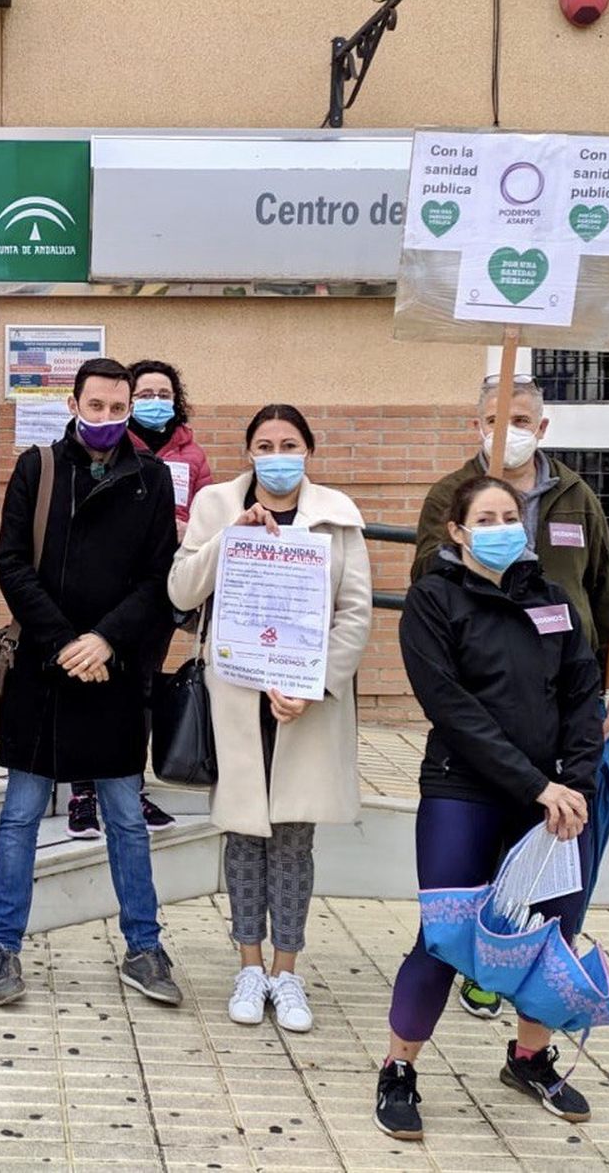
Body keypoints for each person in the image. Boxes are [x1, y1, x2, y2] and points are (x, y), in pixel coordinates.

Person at [376, 475, 604, 1142]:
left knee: (550, 939)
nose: (503, 525)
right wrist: (536, 785)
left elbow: (580, 699)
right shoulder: (433, 600)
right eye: (487, 517)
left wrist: (577, 786)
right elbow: (451, 707)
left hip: (556, 801)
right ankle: (398, 1070)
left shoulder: (553, 601)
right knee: (442, 939)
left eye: (512, 515)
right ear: (457, 531)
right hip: (464, 791)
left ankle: (528, 1060)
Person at [412, 372, 609, 1020]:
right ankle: (482, 959)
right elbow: (427, 577)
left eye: (523, 419)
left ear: (543, 428)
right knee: (488, 838)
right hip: (490, 702)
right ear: (476, 424)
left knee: (573, 836)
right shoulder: (450, 496)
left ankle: (541, 962)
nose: (510, 430)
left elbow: (603, 590)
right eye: (496, 418)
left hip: (572, 699)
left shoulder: (575, 496)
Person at [0, 358, 182, 1010]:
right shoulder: (38, 468)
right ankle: (3, 947)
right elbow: (11, 563)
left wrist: (105, 641)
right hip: (46, 671)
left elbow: (160, 579)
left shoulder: (151, 477)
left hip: (115, 674)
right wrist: (67, 641)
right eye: (94, 406)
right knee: (19, 817)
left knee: (126, 818)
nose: (105, 419)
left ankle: (145, 948)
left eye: (117, 408)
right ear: (73, 402)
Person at [168, 404, 371, 1035]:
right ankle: (248, 966)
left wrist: (313, 686)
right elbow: (180, 591)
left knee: (293, 841)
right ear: (248, 452)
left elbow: (355, 615)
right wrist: (233, 540)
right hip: (237, 696)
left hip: (301, 704)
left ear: (308, 450)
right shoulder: (214, 508)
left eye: (289, 443)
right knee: (243, 836)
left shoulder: (338, 515)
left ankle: (288, 972)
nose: (277, 453)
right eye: (265, 443)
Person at [68, 358, 213, 841]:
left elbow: (210, 512)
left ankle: (131, 785)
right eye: (145, 394)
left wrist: (188, 529)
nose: (155, 403)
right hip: (108, 589)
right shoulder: (111, 445)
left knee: (141, 688)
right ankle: (83, 792)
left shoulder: (192, 456)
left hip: (162, 587)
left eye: (163, 394)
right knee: (92, 686)